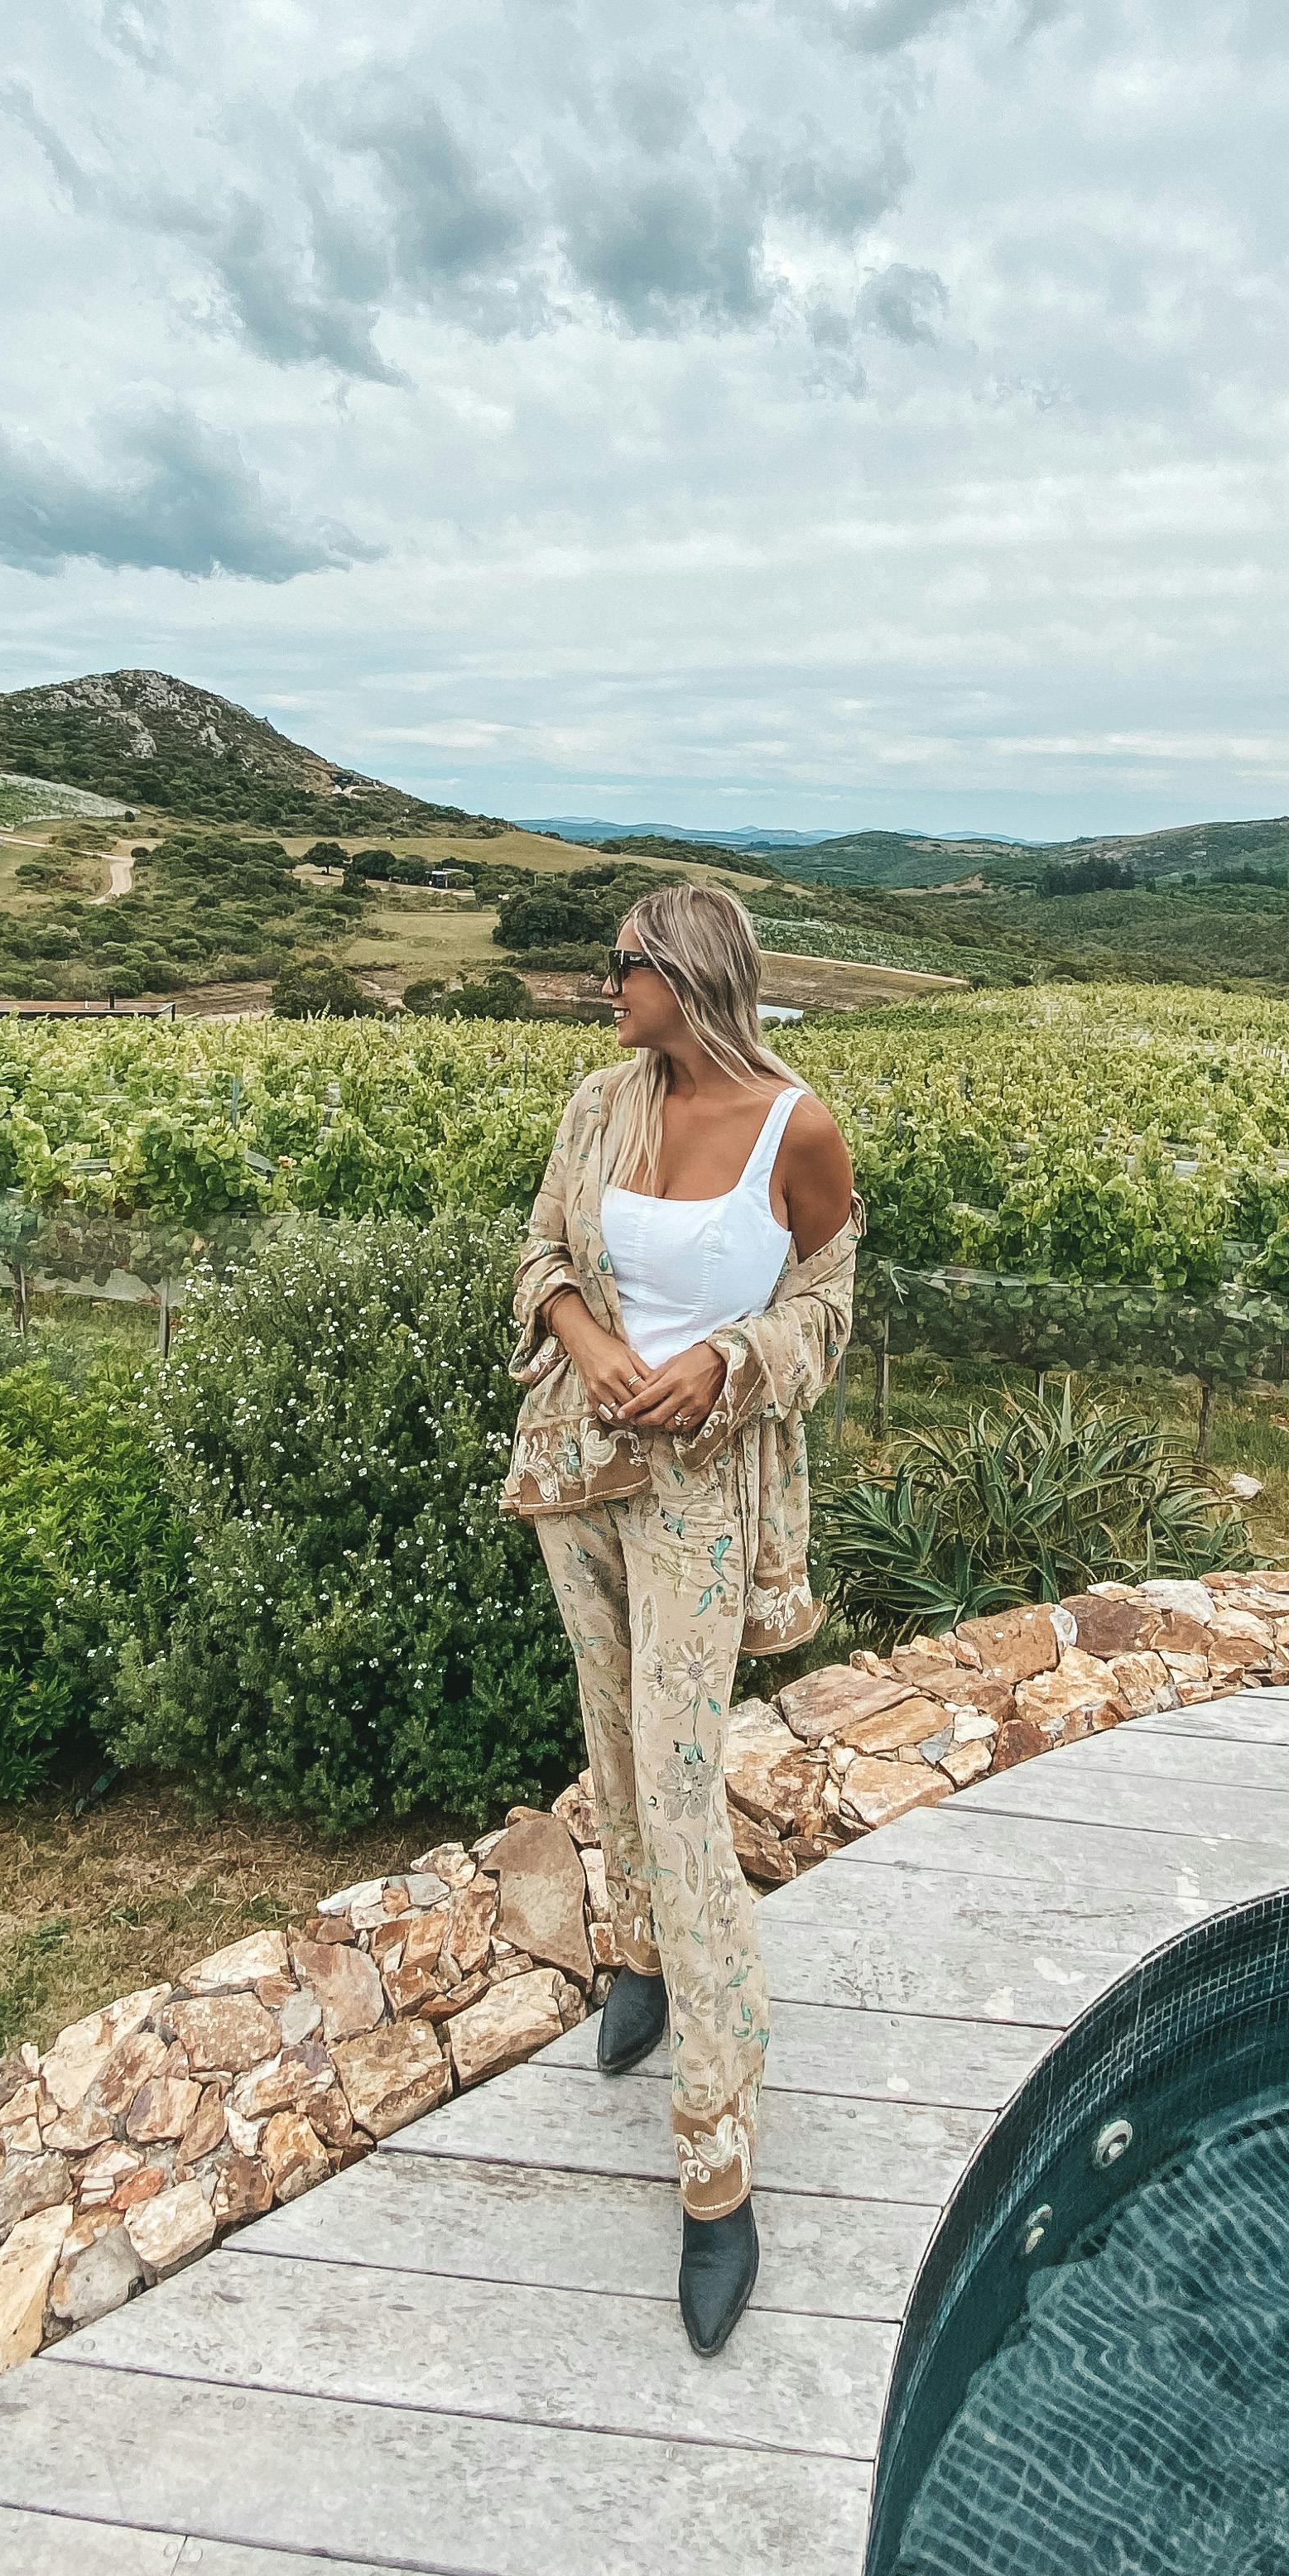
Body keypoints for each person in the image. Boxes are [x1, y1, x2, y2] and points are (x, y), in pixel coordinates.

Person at [503, 882, 859, 2355]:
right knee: (609, 1735)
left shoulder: (799, 1128)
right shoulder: (600, 1101)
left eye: (626, 965)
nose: (606, 985)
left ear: (691, 974)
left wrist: (726, 1363)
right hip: (580, 1466)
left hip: (703, 1492)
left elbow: (831, 1293)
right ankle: (637, 1954)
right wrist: (590, 1347)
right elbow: (541, 1258)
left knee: (686, 1782)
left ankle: (717, 2163)